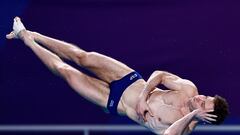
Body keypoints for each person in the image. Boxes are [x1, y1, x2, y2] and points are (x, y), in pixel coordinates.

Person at [6, 17, 229, 135]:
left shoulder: (186, 127)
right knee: (83, 57)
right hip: (131, 80)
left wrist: (191, 117)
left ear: (204, 117)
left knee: (67, 72)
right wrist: (143, 96)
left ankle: (26, 38)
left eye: (203, 104)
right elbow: (159, 74)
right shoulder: (189, 89)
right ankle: (34, 33)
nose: (200, 98)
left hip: (116, 103)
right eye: (205, 97)